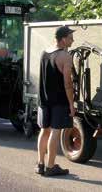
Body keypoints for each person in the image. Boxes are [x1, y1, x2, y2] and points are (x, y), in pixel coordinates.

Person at [35, 25, 76, 177]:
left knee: (44, 130)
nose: (73, 40)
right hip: (59, 101)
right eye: (71, 38)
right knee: (55, 132)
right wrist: (72, 104)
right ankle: (51, 167)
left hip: (44, 99)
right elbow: (68, 83)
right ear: (64, 39)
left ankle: (40, 164)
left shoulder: (44, 53)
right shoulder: (65, 56)